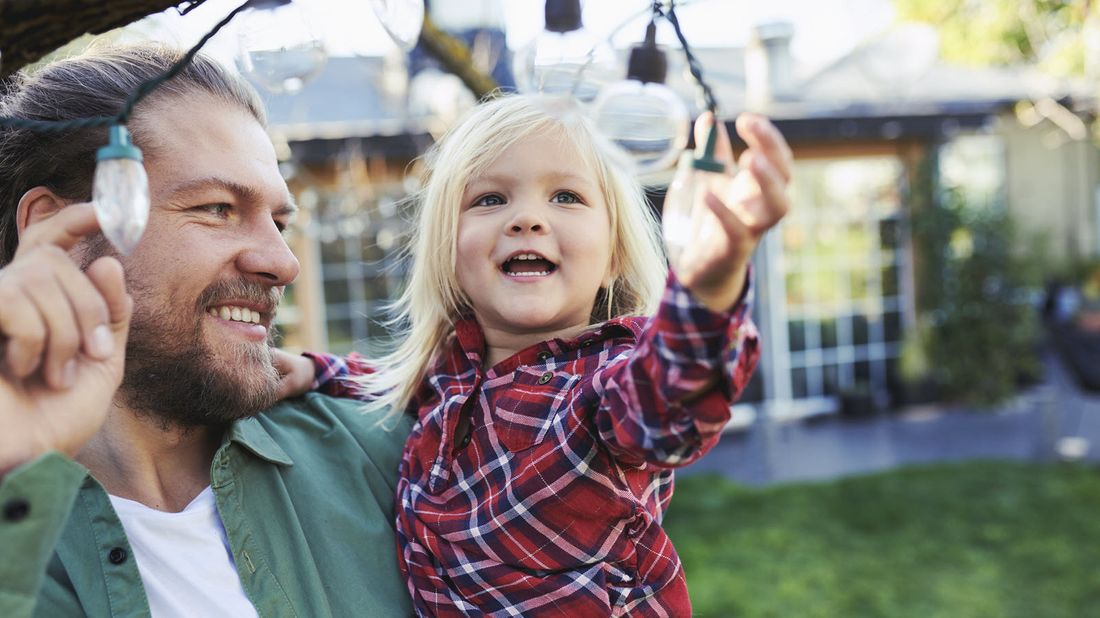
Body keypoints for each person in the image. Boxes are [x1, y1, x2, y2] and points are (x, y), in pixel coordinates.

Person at [277, 94, 792, 616]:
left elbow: (669, 399)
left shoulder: (603, 381)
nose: (526, 218)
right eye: (490, 199)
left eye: (565, 196)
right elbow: (390, 378)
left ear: (613, 256)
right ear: (448, 252)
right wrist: (313, 370)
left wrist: (711, 287)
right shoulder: (451, 369)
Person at [0, 44, 412, 616]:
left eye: (280, 220)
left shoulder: (396, 455)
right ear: (57, 229)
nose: (283, 262)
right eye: (218, 208)